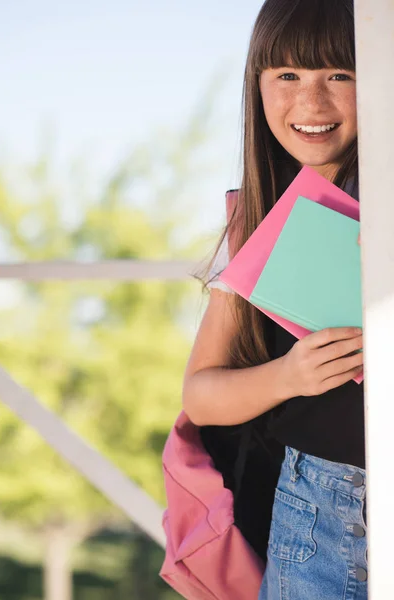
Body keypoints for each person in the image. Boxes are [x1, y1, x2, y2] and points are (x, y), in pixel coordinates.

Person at [182, 0, 368, 598]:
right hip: (319, 515)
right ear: (256, 85)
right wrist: (292, 374)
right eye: (287, 75)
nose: (312, 104)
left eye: (341, 75)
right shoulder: (258, 221)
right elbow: (201, 397)